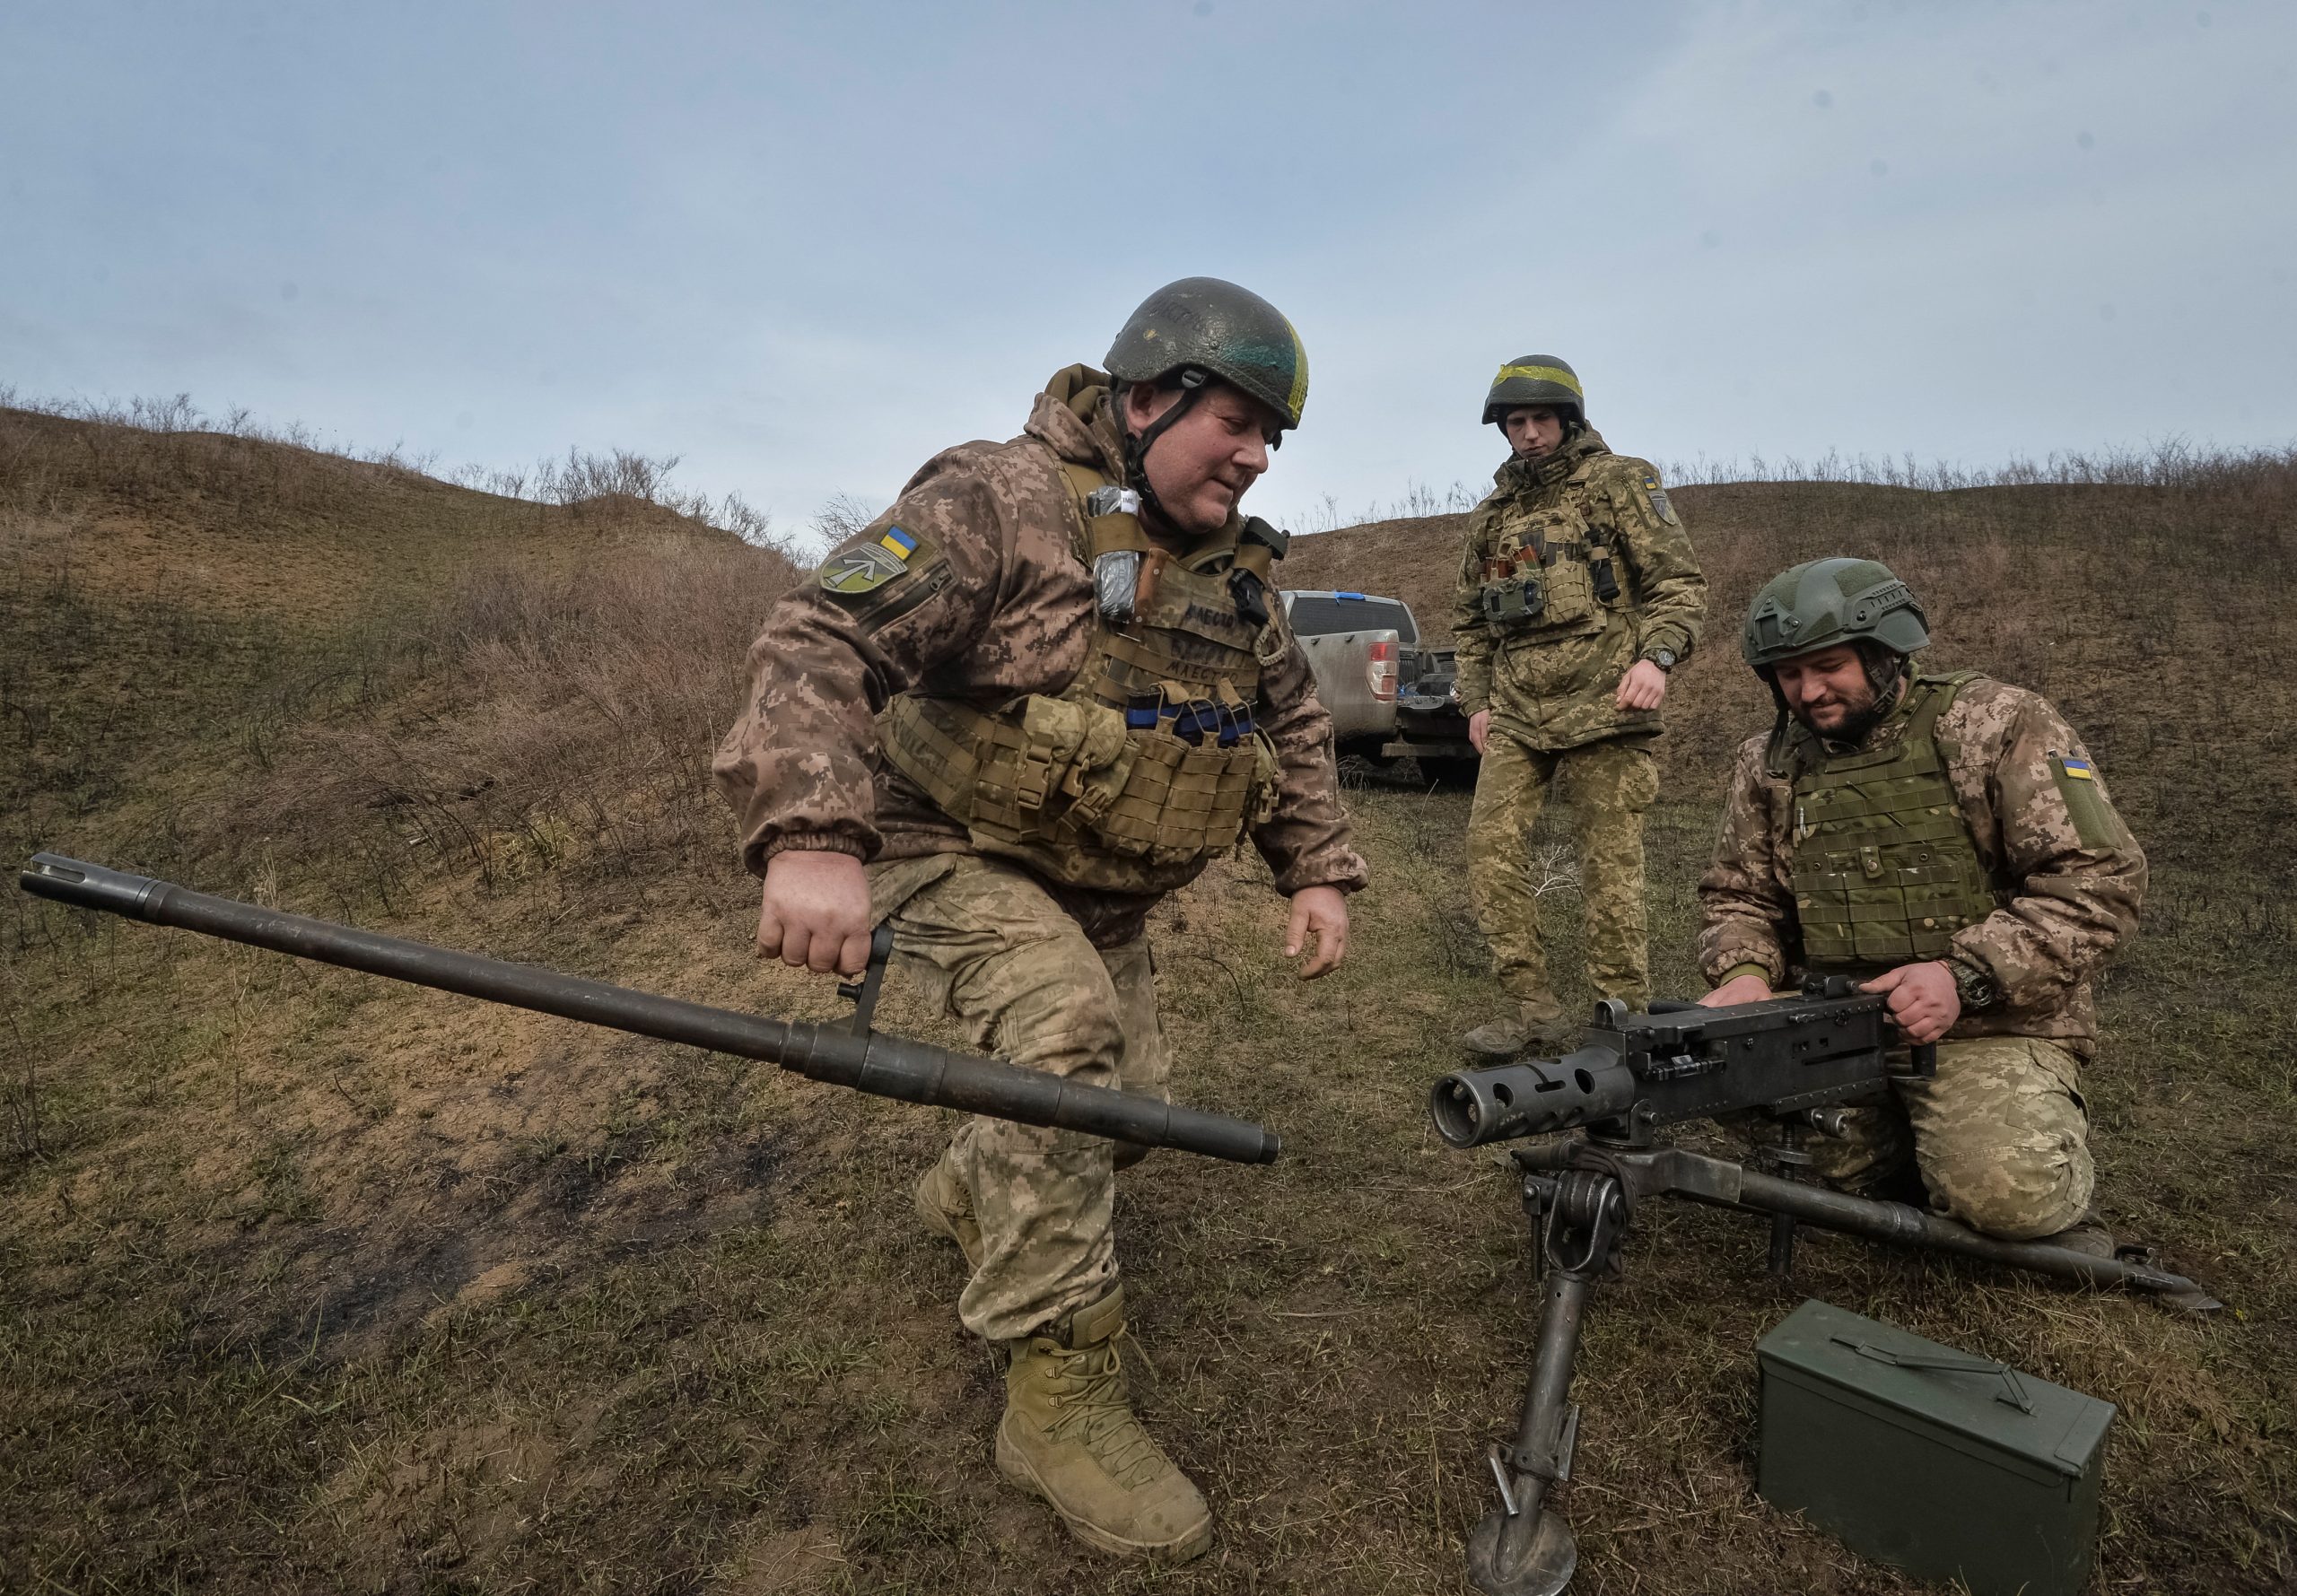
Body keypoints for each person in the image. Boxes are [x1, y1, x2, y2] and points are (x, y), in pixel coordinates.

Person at [712, 277, 1366, 1563]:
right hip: (943, 847)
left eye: (1272, 436)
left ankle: (978, 1182)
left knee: (1125, 1119)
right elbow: (819, 633)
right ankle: (1057, 1400)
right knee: (1064, 1048)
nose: (1256, 455)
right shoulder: (1002, 499)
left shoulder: (1236, 577)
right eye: (1235, 421)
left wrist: (1317, 869)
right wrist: (813, 833)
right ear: (1148, 396)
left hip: (1098, 893)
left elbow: (1289, 717)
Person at [1697, 557, 2144, 1247]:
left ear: (1885, 652)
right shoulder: (1768, 762)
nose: (1809, 691)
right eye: (1788, 673)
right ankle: (1899, 1151)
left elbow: (2098, 879)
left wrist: (1962, 977)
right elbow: (1739, 893)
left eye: (1829, 666)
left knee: (2006, 1195)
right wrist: (1746, 974)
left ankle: (1985, 1154)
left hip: (1988, 1025)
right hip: (1832, 1021)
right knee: (1707, 1071)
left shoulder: (1997, 723)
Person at [1452, 357, 1707, 1057]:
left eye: (1542, 419)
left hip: (1607, 703)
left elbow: (1679, 583)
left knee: (1610, 866)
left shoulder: (1621, 481)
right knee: (1489, 852)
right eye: (1516, 422)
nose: (1529, 433)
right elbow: (1470, 622)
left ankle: (1618, 1022)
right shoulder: (1493, 516)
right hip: (1517, 712)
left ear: (1569, 420)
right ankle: (1531, 1010)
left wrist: (1656, 658)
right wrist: (1476, 701)